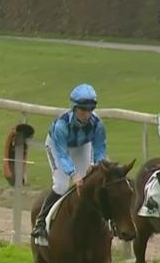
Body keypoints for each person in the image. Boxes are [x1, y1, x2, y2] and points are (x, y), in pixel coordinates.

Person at [31, 83, 108, 245]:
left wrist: (97, 165)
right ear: (74, 108)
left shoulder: (97, 124)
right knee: (61, 185)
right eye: (82, 110)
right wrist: (73, 174)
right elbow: (63, 154)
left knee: (88, 182)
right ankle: (41, 222)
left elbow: (100, 148)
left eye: (90, 110)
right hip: (58, 146)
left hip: (82, 146)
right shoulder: (61, 125)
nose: (86, 114)